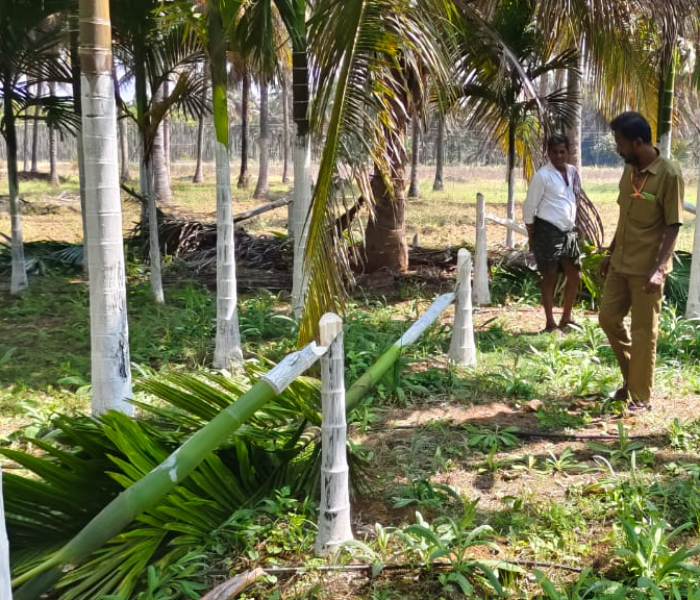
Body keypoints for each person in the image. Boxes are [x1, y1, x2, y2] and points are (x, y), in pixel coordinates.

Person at [599, 112, 684, 411]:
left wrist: (660, 269)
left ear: (637, 142)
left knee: (643, 332)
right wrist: (609, 254)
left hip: (648, 270)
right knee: (607, 319)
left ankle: (640, 397)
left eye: (620, 143)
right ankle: (632, 379)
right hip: (621, 263)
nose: (617, 149)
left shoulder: (669, 175)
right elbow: (624, 216)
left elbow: (673, 225)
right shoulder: (629, 170)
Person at [523, 134, 582, 332]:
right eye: (554, 152)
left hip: (568, 231)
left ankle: (566, 318)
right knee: (549, 276)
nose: (558, 155)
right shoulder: (542, 176)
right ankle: (550, 323)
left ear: (568, 152)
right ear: (549, 153)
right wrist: (532, 235)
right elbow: (530, 206)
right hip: (547, 230)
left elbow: (574, 198)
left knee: (575, 275)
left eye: (562, 152)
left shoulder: (573, 172)